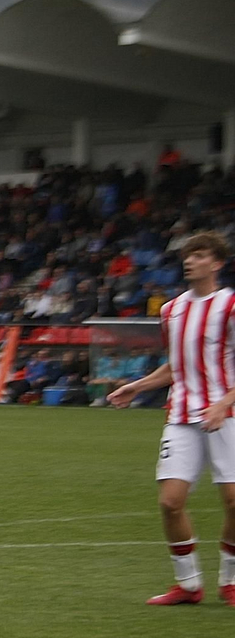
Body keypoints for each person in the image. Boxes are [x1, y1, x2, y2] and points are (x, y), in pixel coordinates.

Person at [106, 233, 235, 607]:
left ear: (217, 263)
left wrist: (223, 403)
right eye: (187, 255)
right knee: (170, 502)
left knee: (233, 500)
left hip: (225, 414)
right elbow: (177, 365)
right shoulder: (171, 310)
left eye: (199, 255)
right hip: (181, 415)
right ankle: (189, 585)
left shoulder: (229, 306)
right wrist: (138, 386)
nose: (189, 261)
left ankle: (229, 580)